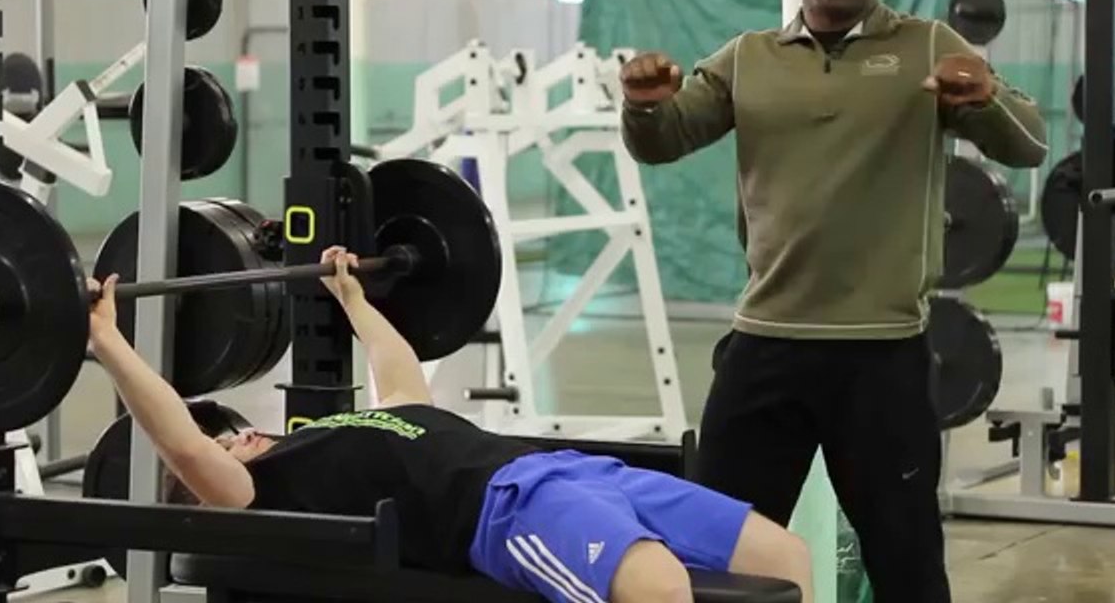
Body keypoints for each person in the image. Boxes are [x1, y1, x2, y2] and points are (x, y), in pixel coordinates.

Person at [617, 0, 1047, 603]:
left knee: (906, 562)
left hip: (882, 357)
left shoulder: (928, 46)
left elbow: (1029, 142)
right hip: (765, 348)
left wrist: (983, 97)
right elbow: (665, 140)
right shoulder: (749, 58)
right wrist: (642, 104)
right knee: (713, 559)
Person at [87, 246, 813, 603]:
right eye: (223, 450)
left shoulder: (343, 430)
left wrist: (353, 299)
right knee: (656, 586)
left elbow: (400, 379)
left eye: (231, 431)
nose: (231, 437)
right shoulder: (264, 494)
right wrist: (110, 344)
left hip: (571, 472)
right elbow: (180, 440)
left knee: (784, 559)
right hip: (508, 508)